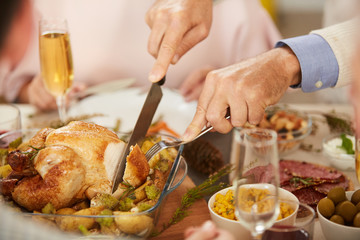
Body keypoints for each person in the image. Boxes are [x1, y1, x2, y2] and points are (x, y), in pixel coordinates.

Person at [1, 0, 280, 111]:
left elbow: (269, 90)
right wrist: (33, 91)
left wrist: (230, 86)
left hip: (201, 156)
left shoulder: (235, 8)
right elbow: (15, 84)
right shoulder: (39, 7)